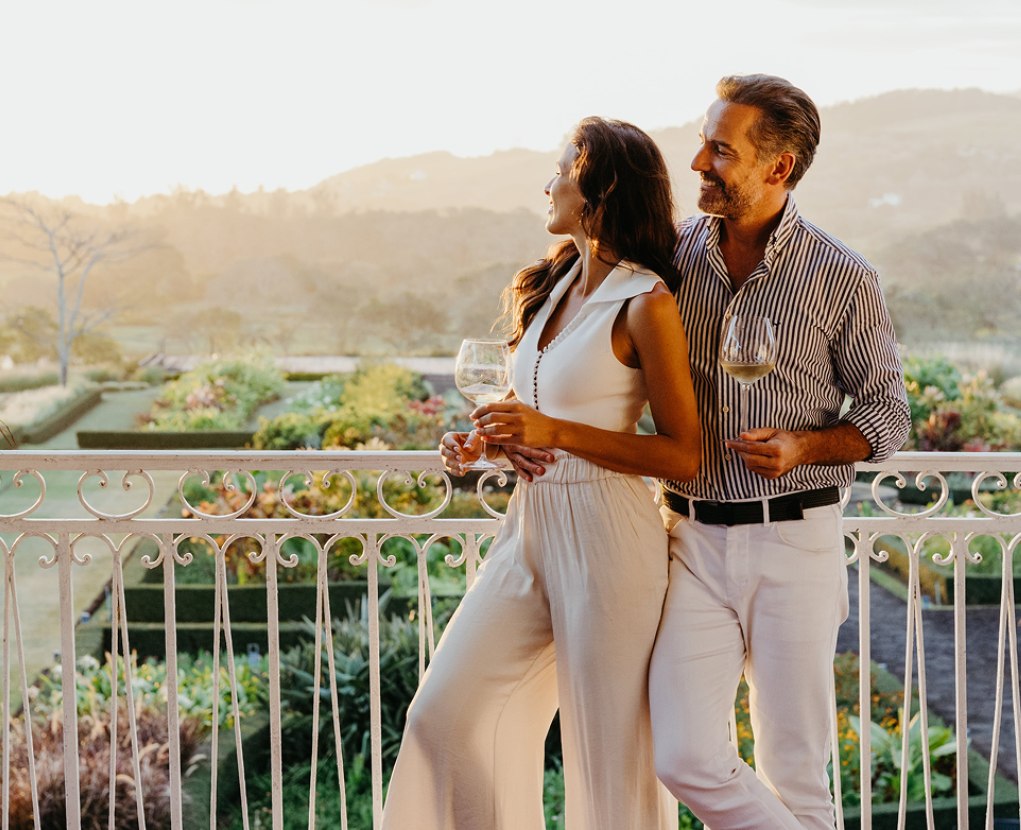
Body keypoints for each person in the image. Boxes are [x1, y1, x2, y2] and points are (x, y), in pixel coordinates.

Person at [381, 117, 701, 830]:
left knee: (606, 755)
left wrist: (551, 431)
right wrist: (485, 444)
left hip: (610, 539)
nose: (549, 183)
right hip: (528, 528)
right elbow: (537, 416)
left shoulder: (645, 300)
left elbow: (683, 455)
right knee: (443, 714)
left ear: (601, 187)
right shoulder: (554, 283)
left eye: (562, 168)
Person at [646, 74, 911, 829]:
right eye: (703, 141)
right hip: (689, 540)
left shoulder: (842, 276)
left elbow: (886, 414)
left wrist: (805, 445)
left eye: (719, 150)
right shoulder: (668, 258)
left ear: (777, 167)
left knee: (795, 770)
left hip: (795, 541)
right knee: (683, 756)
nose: (697, 161)